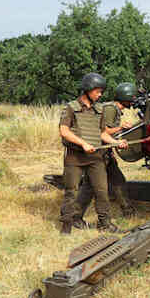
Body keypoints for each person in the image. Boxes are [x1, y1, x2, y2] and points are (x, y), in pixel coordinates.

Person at [59, 72, 127, 235]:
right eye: (98, 91)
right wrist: (82, 143)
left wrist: (116, 142)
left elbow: (102, 133)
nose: (100, 94)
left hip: (95, 157)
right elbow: (64, 131)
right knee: (71, 191)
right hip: (75, 157)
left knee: (102, 191)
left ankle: (105, 224)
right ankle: (67, 224)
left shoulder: (99, 109)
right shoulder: (71, 108)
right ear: (87, 90)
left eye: (101, 91)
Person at [73, 82, 138, 228]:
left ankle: (128, 212)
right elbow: (103, 132)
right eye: (132, 98)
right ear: (126, 97)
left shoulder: (113, 109)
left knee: (118, 181)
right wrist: (119, 131)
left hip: (104, 154)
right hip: (97, 154)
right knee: (90, 187)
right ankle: (75, 218)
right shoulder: (110, 109)